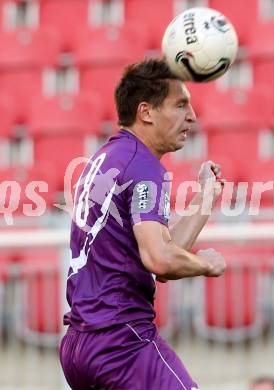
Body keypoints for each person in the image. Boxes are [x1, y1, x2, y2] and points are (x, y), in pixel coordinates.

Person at [59, 58, 226, 390]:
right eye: (180, 105)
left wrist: (205, 197)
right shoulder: (142, 166)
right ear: (146, 112)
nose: (192, 116)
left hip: (81, 346)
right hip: (122, 342)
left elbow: (160, 254)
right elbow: (159, 259)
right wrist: (206, 264)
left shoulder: (110, 156)